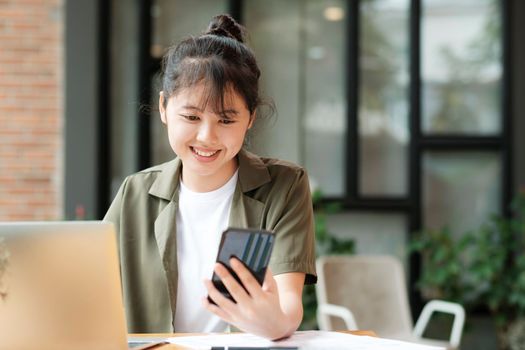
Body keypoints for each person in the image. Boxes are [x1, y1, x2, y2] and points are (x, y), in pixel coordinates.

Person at [104, 14, 316, 340]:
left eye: (226, 120)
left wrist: (274, 323)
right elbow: (91, 292)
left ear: (250, 119)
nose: (207, 136)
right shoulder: (135, 193)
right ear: (163, 107)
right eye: (191, 116)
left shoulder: (283, 186)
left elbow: (288, 307)